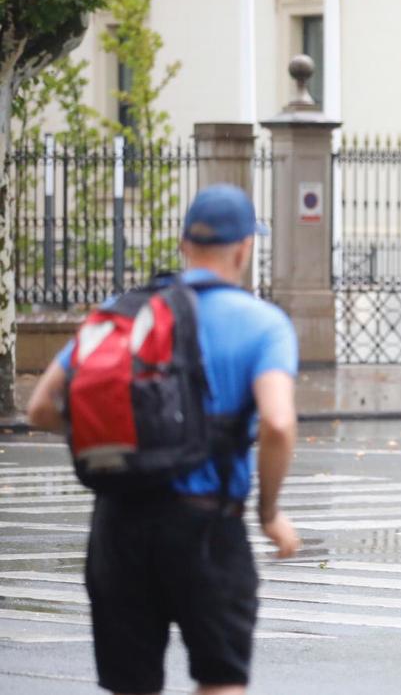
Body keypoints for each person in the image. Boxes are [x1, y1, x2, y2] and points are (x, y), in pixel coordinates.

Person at [26, 185, 301, 695]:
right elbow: (279, 423)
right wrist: (269, 513)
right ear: (244, 248)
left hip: (118, 524)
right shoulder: (263, 324)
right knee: (220, 679)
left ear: (183, 245)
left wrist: (127, 430)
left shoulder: (125, 311)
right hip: (207, 527)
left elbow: (41, 407)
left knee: (130, 685)